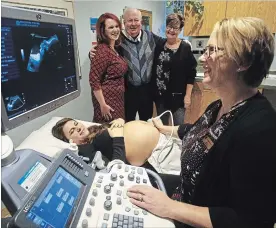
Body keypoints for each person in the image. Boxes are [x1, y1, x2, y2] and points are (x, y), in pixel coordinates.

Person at [125, 17, 276, 228]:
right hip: (186, 194)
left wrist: (169, 207)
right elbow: (196, 132)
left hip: (196, 215)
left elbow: (250, 220)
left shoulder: (259, 130)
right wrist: (164, 128)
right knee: (131, 184)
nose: (203, 58)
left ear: (243, 62)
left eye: (213, 51)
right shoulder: (218, 107)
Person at [90, 8, 192, 122]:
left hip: (147, 92)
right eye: (129, 21)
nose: (133, 24)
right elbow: (106, 55)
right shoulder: (118, 41)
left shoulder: (150, 37)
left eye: (136, 20)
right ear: (124, 23)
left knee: (146, 124)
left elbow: (168, 42)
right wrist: (92, 53)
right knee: (128, 124)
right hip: (128, 92)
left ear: (141, 22)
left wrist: (183, 43)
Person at [52, 118, 182, 174]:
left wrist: (120, 122)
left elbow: (115, 126)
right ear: (70, 141)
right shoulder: (85, 150)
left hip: (165, 142)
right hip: (159, 157)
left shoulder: (92, 130)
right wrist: (119, 136)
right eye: (72, 131)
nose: (77, 128)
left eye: (75, 124)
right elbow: (114, 167)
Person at [151, 13, 197, 125]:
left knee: (177, 128)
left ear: (180, 30)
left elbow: (191, 73)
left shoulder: (185, 48)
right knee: (162, 128)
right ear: (166, 27)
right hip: (160, 97)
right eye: (169, 27)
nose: (171, 30)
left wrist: (188, 96)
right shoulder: (159, 44)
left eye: (175, 28)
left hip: (178, 98)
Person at [89, 13, 128, 123]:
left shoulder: (114, 48)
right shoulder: (102, 51)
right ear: (103, 31)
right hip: (107, 102)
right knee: (109, 132)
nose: (115, 30)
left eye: (117, 26)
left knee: (118, 130)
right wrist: (103, 105)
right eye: (111, 27)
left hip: (118, 100)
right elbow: (94, 80)